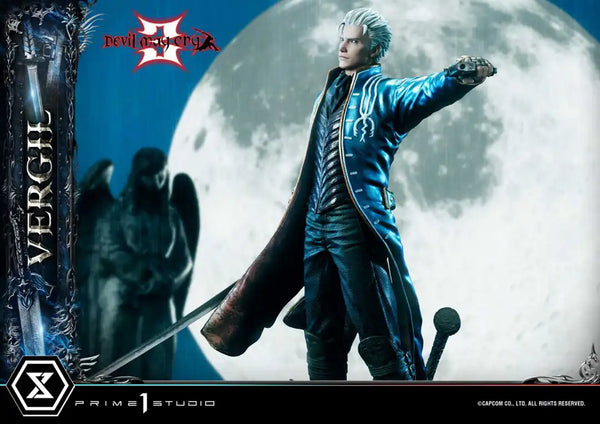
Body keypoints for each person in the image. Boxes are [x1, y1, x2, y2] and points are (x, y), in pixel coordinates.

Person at [201, 7, 495, 380]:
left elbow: (427, 90)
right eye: (343, 39)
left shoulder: (386, 95)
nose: (343, 47)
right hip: (314, 223)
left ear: (374, 50)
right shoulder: (327, 96)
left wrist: (459, 76)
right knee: (320, 330)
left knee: (377, 327)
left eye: (353, 41)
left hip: (353, 224)